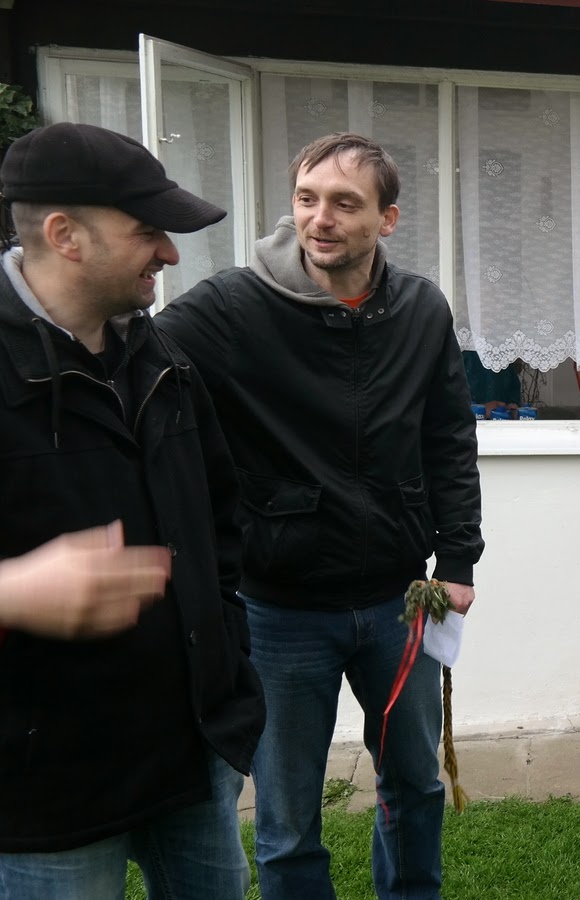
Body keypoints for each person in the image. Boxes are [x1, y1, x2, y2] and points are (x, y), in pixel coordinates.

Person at [155, 133, 484, 900]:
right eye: (307, 199)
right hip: (280, 611)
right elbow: (137, 361)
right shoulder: (233, 307)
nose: (319, 218)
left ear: (387, 219)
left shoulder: (420, 309)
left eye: (344, 203)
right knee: (288, 815)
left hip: (400, 599)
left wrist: (458, 559)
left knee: (415, 786)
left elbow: (448, 437)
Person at [0, 122, 264, 898]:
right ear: (65, 235)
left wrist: (227, 662)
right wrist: (13, 592)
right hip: (46, 790)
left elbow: (220, 525)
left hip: (191, 754)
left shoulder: (163, 360)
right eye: (148, 231)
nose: (171, 253)